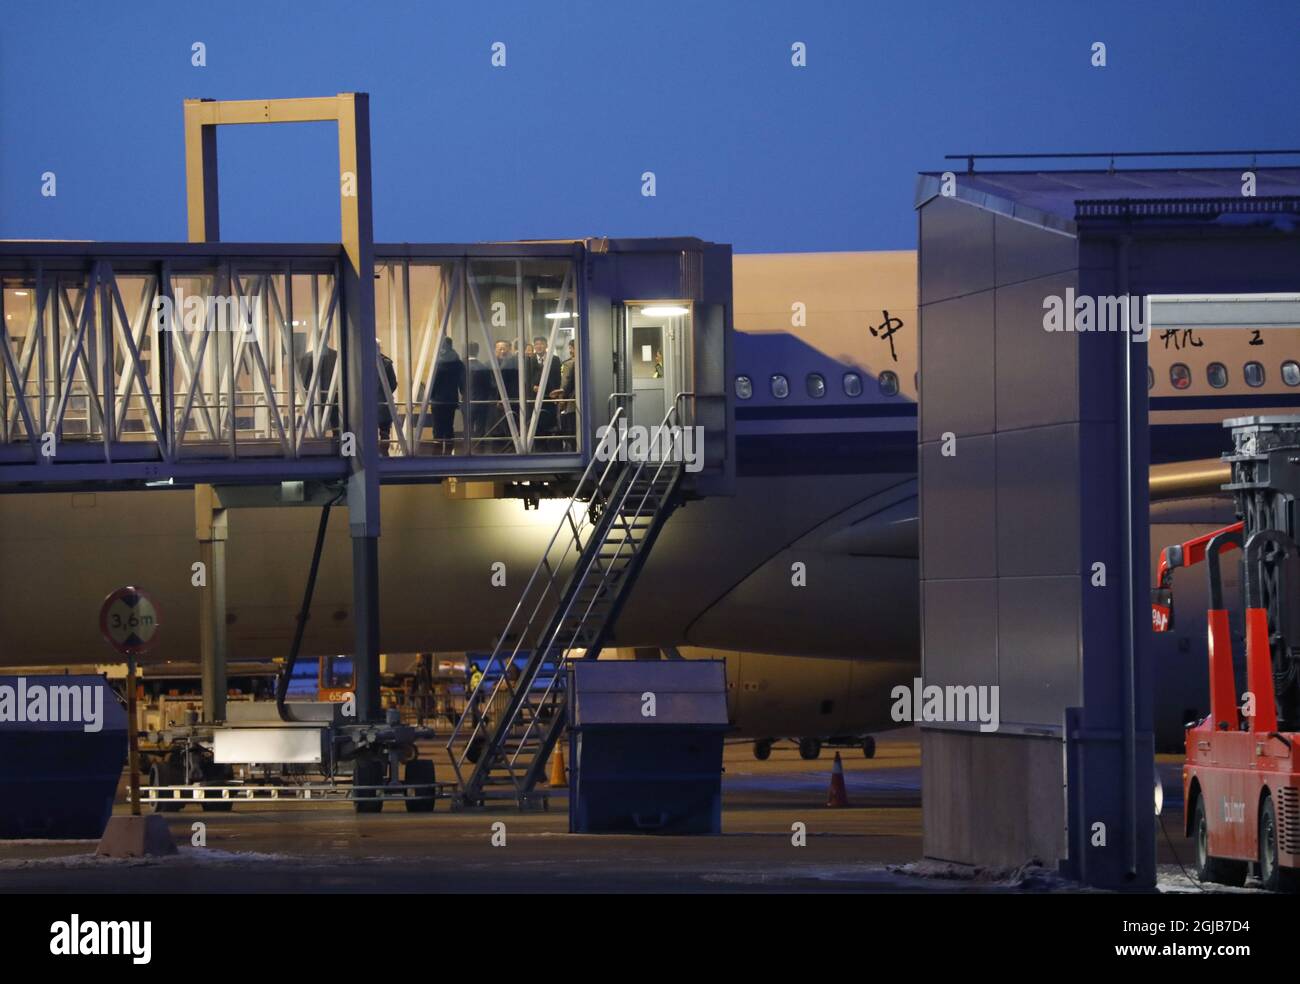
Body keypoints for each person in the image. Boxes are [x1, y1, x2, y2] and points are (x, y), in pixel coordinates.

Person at [428, 337, 464, 451]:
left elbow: (433, 383)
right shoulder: (458, 362)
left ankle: (438, 456)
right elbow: (462, 382)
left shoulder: (438, 362)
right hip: (451, 399)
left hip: (438, 401)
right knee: (449, 428)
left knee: (438, 429)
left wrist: (430, 396)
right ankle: (449, 454)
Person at [531, 335, 562, 441]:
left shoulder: (555, 359)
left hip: (550, 397)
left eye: (541, 344)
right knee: (536, 426)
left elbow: (557, 378)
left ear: (546, 346)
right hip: (534, 398)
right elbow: (526, 378)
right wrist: (533, 387)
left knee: (549, 426)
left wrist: (556, 395)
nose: (539, 346)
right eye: (536, 344)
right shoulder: (529, 360)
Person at [552, 339, 577, 449]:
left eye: (571, 348)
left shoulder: (569, 364)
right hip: (579, 403)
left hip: (570, 405)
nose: (570, 351)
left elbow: (565, 384)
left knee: (570, 434)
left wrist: (561, 400)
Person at [465, 341, 493, 438]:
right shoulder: (483, 367)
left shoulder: (462, 366)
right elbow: (489, 386)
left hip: (467, 401)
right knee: (480, 428)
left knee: (467, 428)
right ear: (477, 351)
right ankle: (479, 448)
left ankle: (467, 449)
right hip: (482, 401)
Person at [376, 338, 398, 455]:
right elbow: (393, 384)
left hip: (367, 404)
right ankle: (384, 454)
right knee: (385, 432)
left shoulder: (362, 361)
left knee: (368, 432)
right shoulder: (387, 363)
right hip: (384, 403)